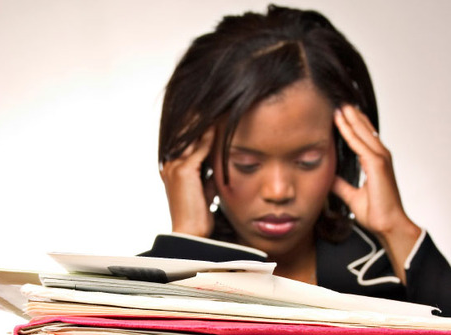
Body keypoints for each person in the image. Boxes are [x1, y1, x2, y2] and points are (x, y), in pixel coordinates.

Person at [157, 4, 451, 315]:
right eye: (247, 164)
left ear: (341, 148)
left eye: (308, 160)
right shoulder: (119, 288)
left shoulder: (393, 273)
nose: (278, 190)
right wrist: (187, 241)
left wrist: (396, 228)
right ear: (202, 159)